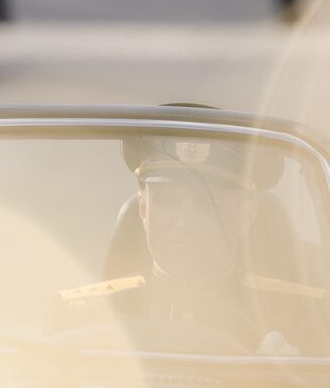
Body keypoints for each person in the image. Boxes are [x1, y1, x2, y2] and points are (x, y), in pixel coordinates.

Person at [51, 138, 330, 355]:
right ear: (144, 209)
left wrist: (290, 379)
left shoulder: (306, 318)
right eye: (166, 201)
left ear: (246, 215)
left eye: (207, 202)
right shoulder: (85, 312)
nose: (184, 221)